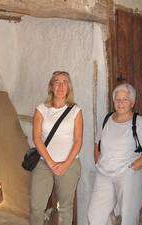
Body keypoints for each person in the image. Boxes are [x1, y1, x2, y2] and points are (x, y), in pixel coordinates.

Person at [88, 83, 142, 225]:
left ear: (132, 102)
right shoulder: (107, 120)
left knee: (127, 217)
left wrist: (132, 168)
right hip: (104, 174)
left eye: (125, 100)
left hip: (127, 174)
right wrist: (98, 162)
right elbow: (97, 144)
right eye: (117, 100)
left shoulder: (139, 123)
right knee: (94, 215)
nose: (120, 103)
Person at [30, 71, 83, 225]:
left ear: (69, 87)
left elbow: (78, 141)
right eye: (57, 82)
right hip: (44, 163)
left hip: (69, 164)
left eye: (65, 82)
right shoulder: (41, 109)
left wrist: (65, 164)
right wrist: (51, 163)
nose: (61, 85)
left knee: (65, 207)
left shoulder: (75, 110)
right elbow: (36, 138)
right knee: (36, 206)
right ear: (51, 86)